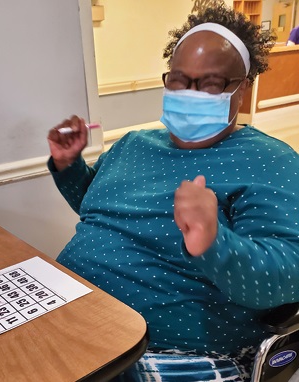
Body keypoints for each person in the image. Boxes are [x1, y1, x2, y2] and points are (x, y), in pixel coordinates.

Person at [47, 4, 299, 382]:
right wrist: (70, 167)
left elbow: (284, 278)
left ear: (243, 88)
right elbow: (99, 209)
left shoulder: (269, 161)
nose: (191, 93)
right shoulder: (135, 143)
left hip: (170, 352)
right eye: (180, 80)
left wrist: (215, 242)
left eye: (211, 83)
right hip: (67, 316)